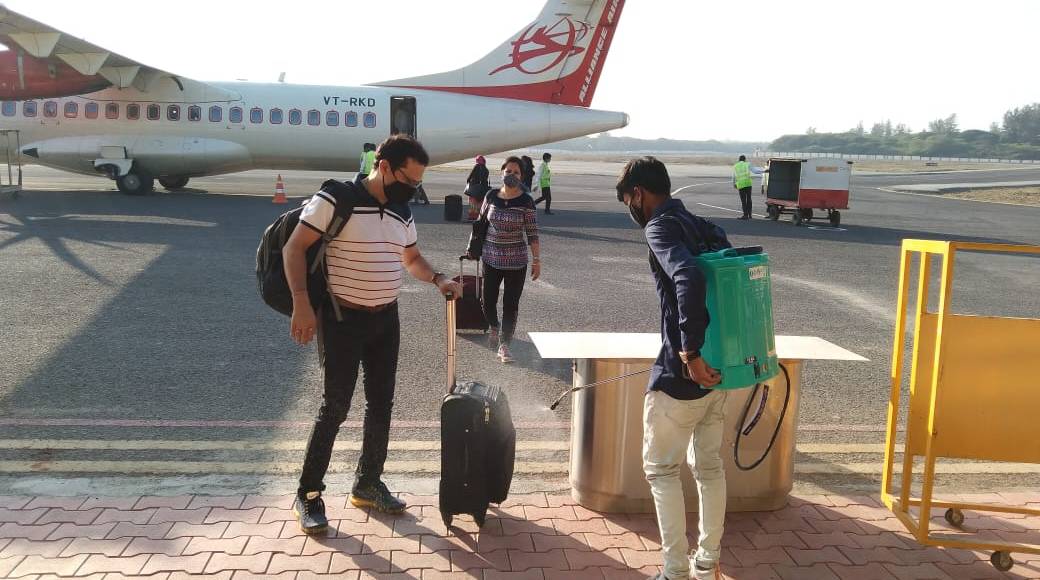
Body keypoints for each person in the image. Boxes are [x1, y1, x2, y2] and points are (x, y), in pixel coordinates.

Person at [283, 134, 462, 534]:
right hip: (341, 318)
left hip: (386, 319)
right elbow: (294, 248)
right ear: (384, 167)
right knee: (335, 407)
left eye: (418, 182)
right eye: (409, 179)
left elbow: (411, 257)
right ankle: (308, 493)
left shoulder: (401, 211)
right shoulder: (336, 198)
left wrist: (437, 278)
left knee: (381, 404)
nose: (413, 188)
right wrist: (301, 302)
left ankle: (368, 482)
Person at [616, 156, 732, 580]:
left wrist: (689, 352)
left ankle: (675, 570)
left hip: (682, 376)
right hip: (718, 373)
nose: (631, 207)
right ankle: (707, 562)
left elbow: (687, 275)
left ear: (638, 194)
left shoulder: (659, 227)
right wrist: (707, 355)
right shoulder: (703, 226)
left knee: (662, 470)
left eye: (628, 199)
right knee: (709, 467)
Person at [468, 156, 541, 363]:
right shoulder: (491, 196)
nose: (511, 175)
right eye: (508, 171)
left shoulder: (526, 201)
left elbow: (533, 233)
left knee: (511, 304)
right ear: (501, 173)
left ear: (522, 176)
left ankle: (504, 344)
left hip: (516, 262)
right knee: (488, 300)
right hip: (491, 259)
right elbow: (480, 225)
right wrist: (471, 248)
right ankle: (493, 325)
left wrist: (537, 260)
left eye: (516, 172)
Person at [732, 154, 763, 220]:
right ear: (745, 159)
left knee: (743, 200)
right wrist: (764, 171)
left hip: (740, 185)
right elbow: (755, 171)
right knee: (749, 199)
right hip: (748, 184)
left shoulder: (735, 166)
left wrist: (734, 184)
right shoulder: (747, 164)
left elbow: (734, 176)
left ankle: (745, 215)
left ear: (739, 159)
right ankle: (750, 214)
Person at [465, 155, 490, 221]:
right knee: (480, 203)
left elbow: (470, 176)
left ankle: (472, 217)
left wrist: (468, 182)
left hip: (474, 188)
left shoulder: (476, 167)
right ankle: (479, 216)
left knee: (473, 203)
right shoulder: (486, 169)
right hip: (483, 189)